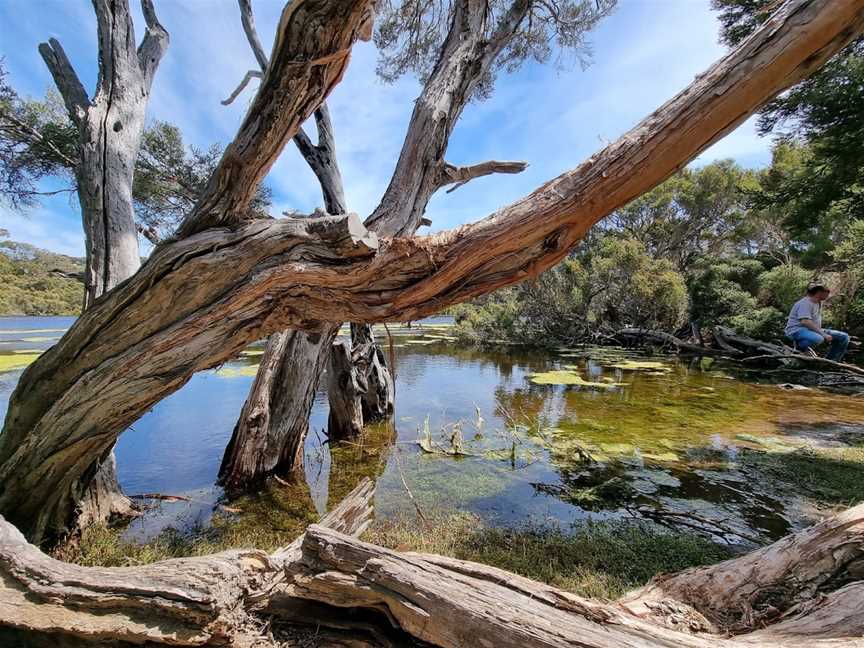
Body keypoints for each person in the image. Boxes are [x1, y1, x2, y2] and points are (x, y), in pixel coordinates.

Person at [785, 283, 850, 361]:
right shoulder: (805, 303)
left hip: (812, 330)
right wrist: (823, 334)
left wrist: (823, 332)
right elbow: (805, 321)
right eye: (826, 292)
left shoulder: (817, 302)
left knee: (844, 337)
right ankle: (800, 348)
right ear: (819, 292)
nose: (828, 295)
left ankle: (831, 361)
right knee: (818, 338)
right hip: (797, 330)